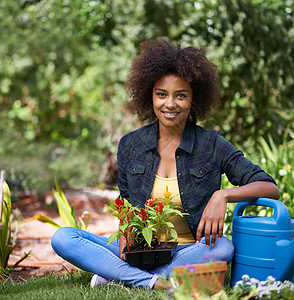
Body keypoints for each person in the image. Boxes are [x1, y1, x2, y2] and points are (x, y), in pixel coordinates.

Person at [51, 38, 280, 290]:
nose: (170, 104)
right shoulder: (131, 145)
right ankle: (153, 282)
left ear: (194, 99)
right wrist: (128, 240)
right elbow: (126, 203)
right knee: (63, 237)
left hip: (189, 250)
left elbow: (269, 187)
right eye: (162, 94)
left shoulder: (211, 144)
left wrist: (222, 195)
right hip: (141, 249)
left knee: (222, 247)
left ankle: (120, 277)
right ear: (150, 95)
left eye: (180, 95)